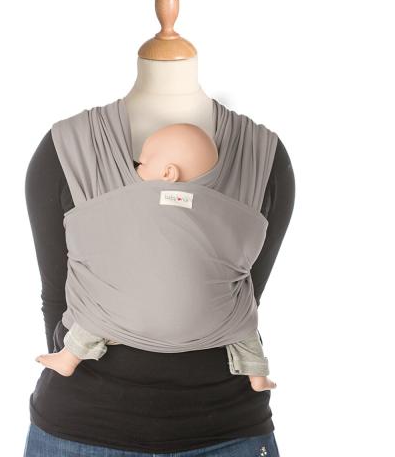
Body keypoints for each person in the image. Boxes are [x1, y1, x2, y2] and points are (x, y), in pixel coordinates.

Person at [35, 122, 277, 392]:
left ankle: (68, 358)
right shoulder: (233, 207)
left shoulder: (124, 204)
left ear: (168, 173)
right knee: (244, 328)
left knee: (94, 316)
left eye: (142, 163)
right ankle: (258, 377)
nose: (136, 170)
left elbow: (59, 290)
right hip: (217, 327)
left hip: (121, 318)